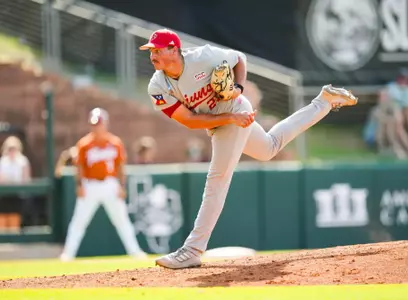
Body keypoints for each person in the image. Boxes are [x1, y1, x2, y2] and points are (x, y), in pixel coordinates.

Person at [139, 28, 358, 269]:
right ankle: (323, 102)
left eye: (157, 50)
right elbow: (189, 120)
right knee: (268, 148)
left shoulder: (204, 57)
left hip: (234, 110)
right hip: (226, 120)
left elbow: (239, 59)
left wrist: (239, 89)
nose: (152, 55)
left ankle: (192, 249)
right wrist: (230, 119)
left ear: (173, 49)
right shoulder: (157, 85)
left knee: (217, 179)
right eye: (151, 51)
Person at [59, 108, 147, 261]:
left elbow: (120, 166)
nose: (96, 127)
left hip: (110, 184)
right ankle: (68, 254)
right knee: (79, 222)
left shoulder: (115, 142)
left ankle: (135, 252)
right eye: (94, 124)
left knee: (122, 221)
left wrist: (122, 186)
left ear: (106, 123)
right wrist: (79, 185)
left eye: (99, 123)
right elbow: (79, 166)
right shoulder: (84, 144)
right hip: (90, 185)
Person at [0, 136, 32, 230]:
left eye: (14, 148)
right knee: (2, 222)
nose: (12, 151)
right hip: (4, 196)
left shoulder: (23, 161)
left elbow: (26, 178)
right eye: (10, 149)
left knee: (15, 223)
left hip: (17, 196)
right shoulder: (2, 161)